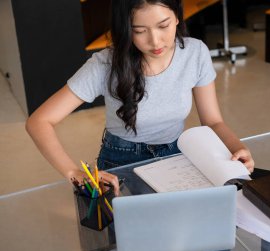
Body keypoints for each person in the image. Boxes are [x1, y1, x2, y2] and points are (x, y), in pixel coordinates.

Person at [26, 0, 254, 195]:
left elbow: (213, 122)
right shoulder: (105, 64)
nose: (155, 41)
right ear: (125, 28)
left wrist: (237, 150)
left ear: (177, 17)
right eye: (139, 30)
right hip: (121, 161)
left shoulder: (195, 52)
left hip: (178, 156)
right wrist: (73, 172)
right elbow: (39, 121)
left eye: (163, 25)